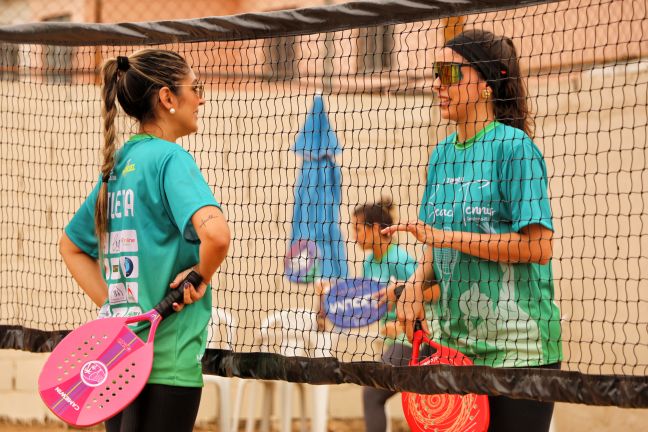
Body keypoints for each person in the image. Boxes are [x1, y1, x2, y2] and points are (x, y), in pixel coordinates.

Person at [379, 30, 562, 432]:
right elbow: (432, 245)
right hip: (455, 349)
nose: (436, 84)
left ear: (485, 83)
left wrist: (448, 239)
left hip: (520, 353)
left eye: (448, 73)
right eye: (435, 73)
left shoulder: (514, 148)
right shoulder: (442, 153)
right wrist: (413, 286)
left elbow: (539, 247)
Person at [58, 49, 230, 432]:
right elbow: (216, 235)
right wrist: (200, 277)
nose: (201, 99)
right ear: (168, 98)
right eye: (195, 88)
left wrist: (119, 306)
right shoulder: (171, 160)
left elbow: (70, 246)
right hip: (166, 362)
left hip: (116, 357)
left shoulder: (118, 165)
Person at [347, 198, 432, 432]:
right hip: (393, 341)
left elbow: (432, 291)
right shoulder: (368, 263)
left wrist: (402, 318)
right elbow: (374, 303)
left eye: (357, 228)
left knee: (372, 394)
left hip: (414, 339)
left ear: (375, 229)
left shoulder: (400, 259)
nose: (354, 235)